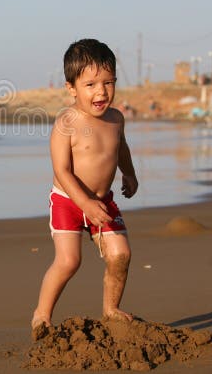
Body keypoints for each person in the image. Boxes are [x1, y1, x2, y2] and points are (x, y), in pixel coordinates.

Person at [31, 39, 139, 334]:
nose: (101, 91)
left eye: (108, 82)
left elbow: (122, 148)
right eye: (90, 84)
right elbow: (62, 171)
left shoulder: (116, 119)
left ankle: (110, 308)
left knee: (120, 255)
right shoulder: (67, 122)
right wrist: (84, 204)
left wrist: (129, 174)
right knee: (69, 261)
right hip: (68, 201)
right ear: (71, 88)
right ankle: (41, 315)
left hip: (102, 202)